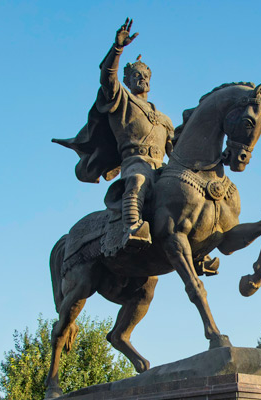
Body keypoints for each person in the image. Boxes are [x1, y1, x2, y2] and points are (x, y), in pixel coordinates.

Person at [53, 19, 174, 248]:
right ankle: (132, 227)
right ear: (127, 81)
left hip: (161, 169)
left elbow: (175, 152)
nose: (142, 78)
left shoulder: (165, 119)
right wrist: (117, 49)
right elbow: (107, 77)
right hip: (135, 163)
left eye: (146, 75)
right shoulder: (122, 100)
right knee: (138, 180)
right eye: (136, 75)